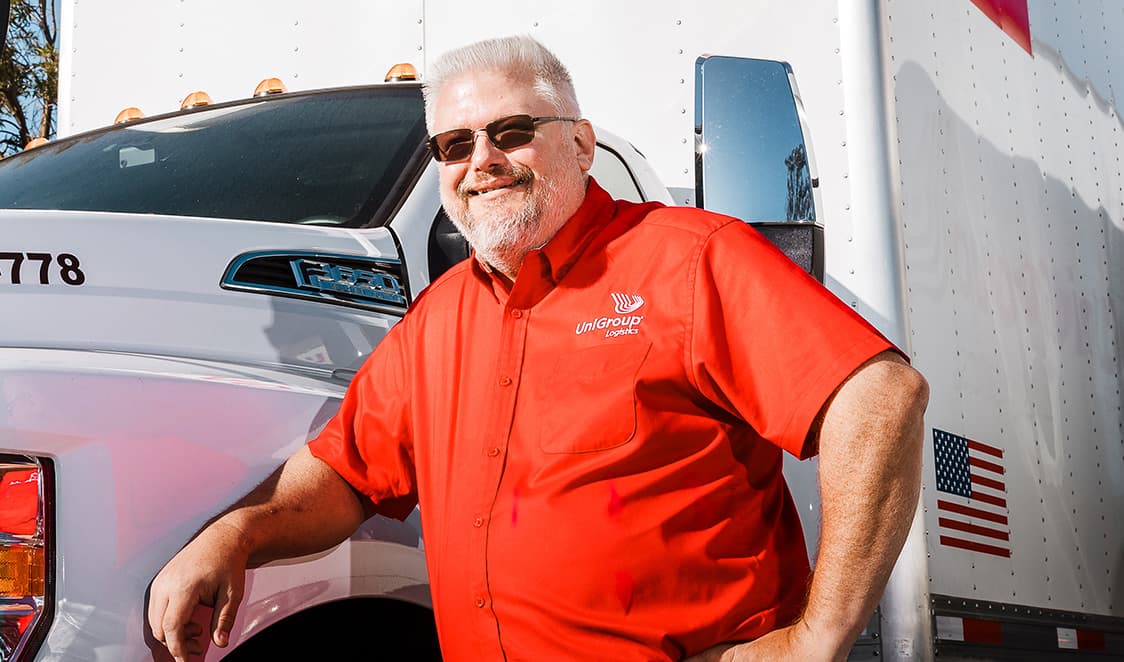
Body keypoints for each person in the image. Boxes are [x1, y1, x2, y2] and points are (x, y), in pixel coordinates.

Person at [148, 35, 928, 662]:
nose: (480, 160)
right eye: (454, 145)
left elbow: (880, 396)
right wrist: (237, 532)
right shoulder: (437, 320)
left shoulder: (688, 259)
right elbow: (346, 473)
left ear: (582, 146)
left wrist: (819, 637)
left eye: (511, 132)